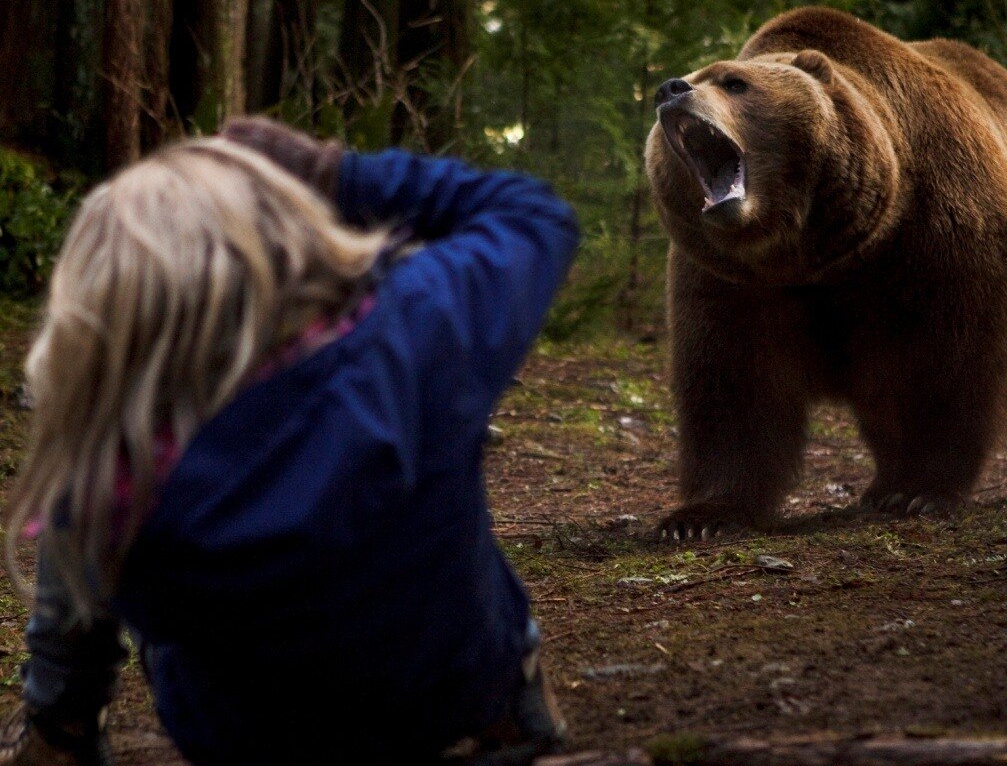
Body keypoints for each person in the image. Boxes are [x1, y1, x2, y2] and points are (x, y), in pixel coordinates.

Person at [0, 119, 578, 765]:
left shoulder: (108, 487)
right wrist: (336, 172)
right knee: (441, 477)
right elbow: (533, 214)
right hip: (449, 695)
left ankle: (61, 724)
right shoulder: (414, 335)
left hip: (244, 741)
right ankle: (510, 710)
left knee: (83, 489)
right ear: (290, 238)